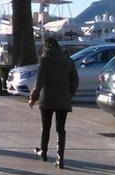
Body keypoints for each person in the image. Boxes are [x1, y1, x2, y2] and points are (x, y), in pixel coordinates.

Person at [28, 37, 79, 168]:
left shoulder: (45, 60)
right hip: (63, 99)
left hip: (47, 99)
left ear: (47, 46)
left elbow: (39, 82)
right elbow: (75, 81)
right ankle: (60, 158)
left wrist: (33, 97)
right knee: (61, 129)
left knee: (46, 127)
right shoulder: (68, 60)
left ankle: (43, 152)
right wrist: (69, 94)